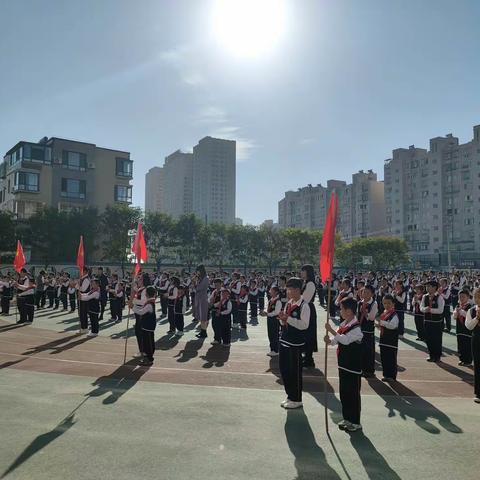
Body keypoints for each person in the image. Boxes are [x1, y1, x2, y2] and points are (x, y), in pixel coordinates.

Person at [325, 297, 363, 432]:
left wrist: (331, 331)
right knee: (344, 393)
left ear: (349, 311)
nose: (340, 311)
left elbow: (345, 340)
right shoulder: (343, 324)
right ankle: (347, 418)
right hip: (343, 364)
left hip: (353, 366)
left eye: (341, 309)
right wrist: (329, 340)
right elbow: (337, 339)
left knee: (353, 394)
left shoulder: (356, 327)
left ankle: (355, 421)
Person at [277, 277, 310, 410]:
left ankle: (297, 399)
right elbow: (284, 321)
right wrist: (282, 319)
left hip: (295, 343)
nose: (288, 292)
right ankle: (290, 396)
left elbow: (304, 325)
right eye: (287, 289)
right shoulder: (289, 303)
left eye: (289, 289)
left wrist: (288, 319)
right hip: (284, 339)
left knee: (294, 372)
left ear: (297, 290)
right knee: (284, 370)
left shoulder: (304, 305)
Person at [376, 294, 399, 382]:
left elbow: (392, 326)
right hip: (383, 339)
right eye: (385, 303)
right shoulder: (384, 313)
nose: (387, 305)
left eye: (389, 303)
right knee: (384, 358)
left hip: (391, 341)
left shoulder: (394, 314)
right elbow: (383, 326)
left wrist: (381, 323)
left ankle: (392, 376)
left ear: (393, 304)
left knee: (391, 359)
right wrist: (379, 325)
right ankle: (386, 374)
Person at [420, 280, 445, 363]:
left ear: (434, 288)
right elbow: (421, 307)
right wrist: (425, 309)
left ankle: (437, 356)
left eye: (429, 286)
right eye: (427, 286)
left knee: (437, 339)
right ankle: (431, 355)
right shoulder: (425, 297)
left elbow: (440, 310)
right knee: (428, 338)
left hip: (437, 322)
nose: (427, 288)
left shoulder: (439, 297)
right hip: (427, 321)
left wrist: (430, 310)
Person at [132, 285, 157, 366]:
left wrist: (133, 307)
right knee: (148, 341)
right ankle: (148, 356)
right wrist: (134, 306)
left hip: (148, 326)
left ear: (146, 294)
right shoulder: (150, 302)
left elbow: (141, 312)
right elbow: (141, 310)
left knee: (148, 342)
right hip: (148, 326)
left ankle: (150, 359)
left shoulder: (150, 304)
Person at [358, 284, 378, 378]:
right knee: (361, 350)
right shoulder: (360, 303)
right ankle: (361, 368)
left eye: (367, 292)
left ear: (372, 294)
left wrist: (365, 312)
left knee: (369, 351)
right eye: (363, 292)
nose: (364, 294)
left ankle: (369, 371)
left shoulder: (374, 303)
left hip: (368, 331)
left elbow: (371, 317)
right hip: (360, 329)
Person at [300, 264, 317, 368]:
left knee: (309, 334)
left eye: (303, 271)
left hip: (308, 309)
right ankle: (306, 356)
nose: (301, 273)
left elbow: (305, 299)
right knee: (304, 333)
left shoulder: (310, 284)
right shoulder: (305, 282)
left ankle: (309, 359)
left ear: (308, 272)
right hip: (305, 308)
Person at [465, 288, 480, 403]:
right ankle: (478, 393)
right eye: (475, 297)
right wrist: (477, 318)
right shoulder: (471, 310)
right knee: (478, 365)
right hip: (476, 339)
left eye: (479, 297)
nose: (477, 299)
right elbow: (469, 326)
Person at [260, 285, 282, 357]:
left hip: (275, 319)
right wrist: (264, 312)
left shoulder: (278, 301)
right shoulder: (271, 300)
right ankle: (272, 349)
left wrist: (267, 314)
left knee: (275, 334)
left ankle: (275, 350)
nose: (270, 292)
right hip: (269, 318)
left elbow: (276, 312)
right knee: (270, 334)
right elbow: (268, 308)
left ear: (276, 292)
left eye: (271, 291)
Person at [454, 288, 473, 366]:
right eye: (460, 297)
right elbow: (454, 317)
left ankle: (468, 360)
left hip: (467, 329)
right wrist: (456, 313)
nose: (461, 298)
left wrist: (460, 311)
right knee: (460, 344)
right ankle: (462, 359)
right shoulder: (458, 306)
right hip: (459, 328)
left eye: (463, 297)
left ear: (468, 297)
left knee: (467, 345)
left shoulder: (470, 306)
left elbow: (468, 316)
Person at [194, 265, 209, 339]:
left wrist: (196, 284)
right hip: (199, 298)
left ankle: (204, 332)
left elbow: (199, 288)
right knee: (200, 316)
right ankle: (202, 330)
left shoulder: (206, 278)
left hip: (203, 299)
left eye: (198, 271)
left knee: (203, 316)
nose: (197, 272)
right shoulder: (201, 278)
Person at [77, 268, 91, 334]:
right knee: (81, 313)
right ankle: (83, 327)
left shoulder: (86, 279)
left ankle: (85, 328)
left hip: (85, 298)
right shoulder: (82, 279)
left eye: (81, 271)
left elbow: (83, 289)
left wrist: (78, 286)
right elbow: (77, 286)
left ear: (85, 271)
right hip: (82, 298)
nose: (80, 273)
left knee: (84, 313)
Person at [209, 278, 223, 345]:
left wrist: (213, 305)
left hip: (219, 310)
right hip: (214, 310)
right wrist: (209, 303)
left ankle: (218, 339)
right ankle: (217, 338)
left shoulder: (223, 291)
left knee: (218, 325)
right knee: (214, 324)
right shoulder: (214, 291)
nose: (216, 286)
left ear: (221, 284)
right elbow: (211, 298)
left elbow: (222, 301)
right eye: (215, 285)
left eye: (217, 285)